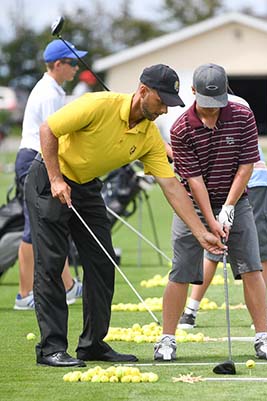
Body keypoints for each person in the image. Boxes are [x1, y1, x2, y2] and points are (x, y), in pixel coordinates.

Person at [25, 63, 225, 368]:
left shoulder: (149, 137)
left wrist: (201, 233)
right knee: (52, 263)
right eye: (161, 102)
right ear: (143, 91)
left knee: (102, 263)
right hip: (49, 178)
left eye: (171, 105)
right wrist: (55, 179)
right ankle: (51, 348)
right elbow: (47, 130)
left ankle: (92, 344)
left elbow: (171, 186)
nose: (165, 111)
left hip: (87, 186)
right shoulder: (98, 104)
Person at [154, 64, 267, 362]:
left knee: (251, 267)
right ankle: (167, 339)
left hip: (237, 200)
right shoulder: (181, 128)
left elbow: (246, 165)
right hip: (193, 205)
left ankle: (263, 337)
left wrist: (230, 207)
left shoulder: (242, 116)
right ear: (193, 92)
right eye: (206, 105)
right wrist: (211, 220)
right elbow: (194, 181)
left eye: (217, 104)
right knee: (181, 269)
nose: (212, 112)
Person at [177, 95, 267, 330]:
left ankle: (190, 311)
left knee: (214, 252)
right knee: (258, 255)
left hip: (227, 190)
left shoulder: (213, 107)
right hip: (251, 187)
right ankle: (262, 314)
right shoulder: (239, 105)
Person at [13, 39, 86, 310]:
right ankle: (24, 295)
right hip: (34, 161)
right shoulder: (49, 93)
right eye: (73, 63)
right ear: (58, 65)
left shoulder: (53, 89)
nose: (76, 68)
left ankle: (67, 285)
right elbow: (52, 136)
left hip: (37, 160)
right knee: (35, 228)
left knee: (53, 224)